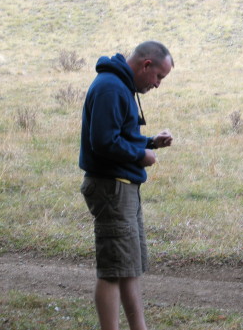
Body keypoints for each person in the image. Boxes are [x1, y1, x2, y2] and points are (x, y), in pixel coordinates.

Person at [79, 41, 174, 330]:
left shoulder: (121, 87)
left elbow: (118, 134)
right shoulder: (111, 88)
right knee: (112, 271)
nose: (157, 85)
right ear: (146, 65)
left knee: (128, 267)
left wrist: (149, 142)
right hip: (111, 189)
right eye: (159, 77)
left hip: (123, 188)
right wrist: (141, 155)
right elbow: (103, 142)